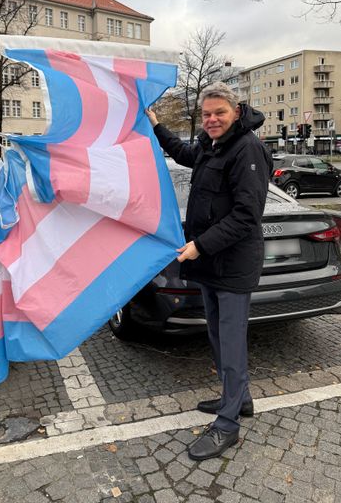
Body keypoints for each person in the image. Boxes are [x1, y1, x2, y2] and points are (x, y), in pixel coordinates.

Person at [146, 82, 272, 461]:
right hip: (209, 263)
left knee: (231, 341)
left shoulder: (247, 148)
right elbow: (185, 154)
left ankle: (228, 424)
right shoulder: (209, 143)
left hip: (232, 264)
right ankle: (240, 398)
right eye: (206, 114)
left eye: (219, 112)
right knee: (217, 335)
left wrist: (199, 245)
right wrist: (155, 125)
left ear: (235, 111)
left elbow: (247, 216)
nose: (212, 119)